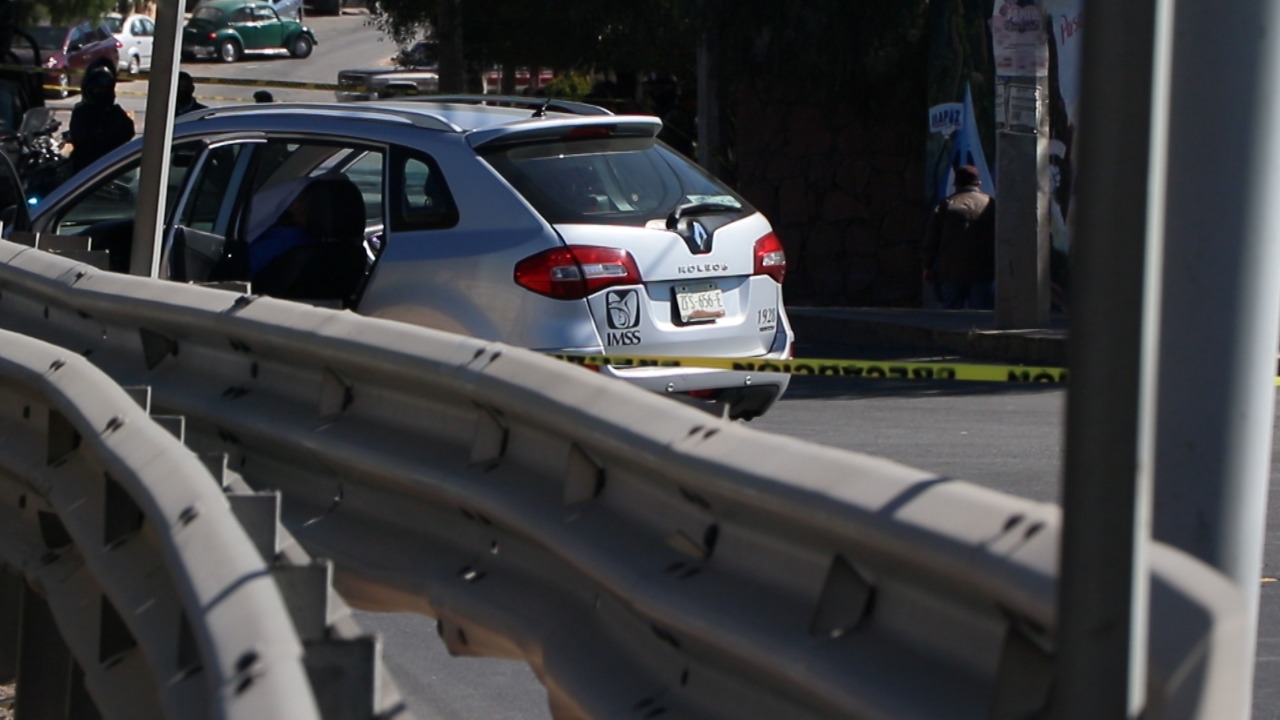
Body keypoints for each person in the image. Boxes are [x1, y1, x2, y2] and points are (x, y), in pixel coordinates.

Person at [920, 164, 996, 309]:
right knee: (980, 316)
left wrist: (927, 266)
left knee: (950, 317)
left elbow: (932, 239)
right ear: (979, 183)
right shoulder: (992, 205)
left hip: (950, 271)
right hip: (983, 270)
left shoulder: (946, 205)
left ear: (955, 183)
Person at [68, 67, 134, 173]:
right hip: (90, 169)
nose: (101, 93)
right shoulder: (83, 113)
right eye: (98, 89)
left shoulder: (113, 113)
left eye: (104, 90)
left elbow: (128, 131)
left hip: (101, 170)